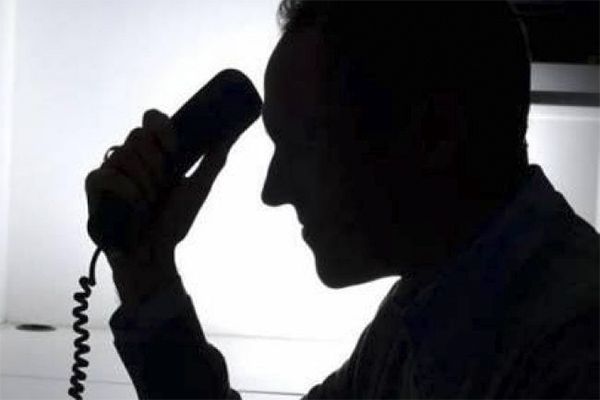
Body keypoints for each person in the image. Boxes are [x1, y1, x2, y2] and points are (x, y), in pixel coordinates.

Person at [85, 1, 599, 398]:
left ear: (436, 133)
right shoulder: (424, 310)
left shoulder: (576, 356)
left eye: (302, 146)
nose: (273, 192)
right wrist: (146, 272)